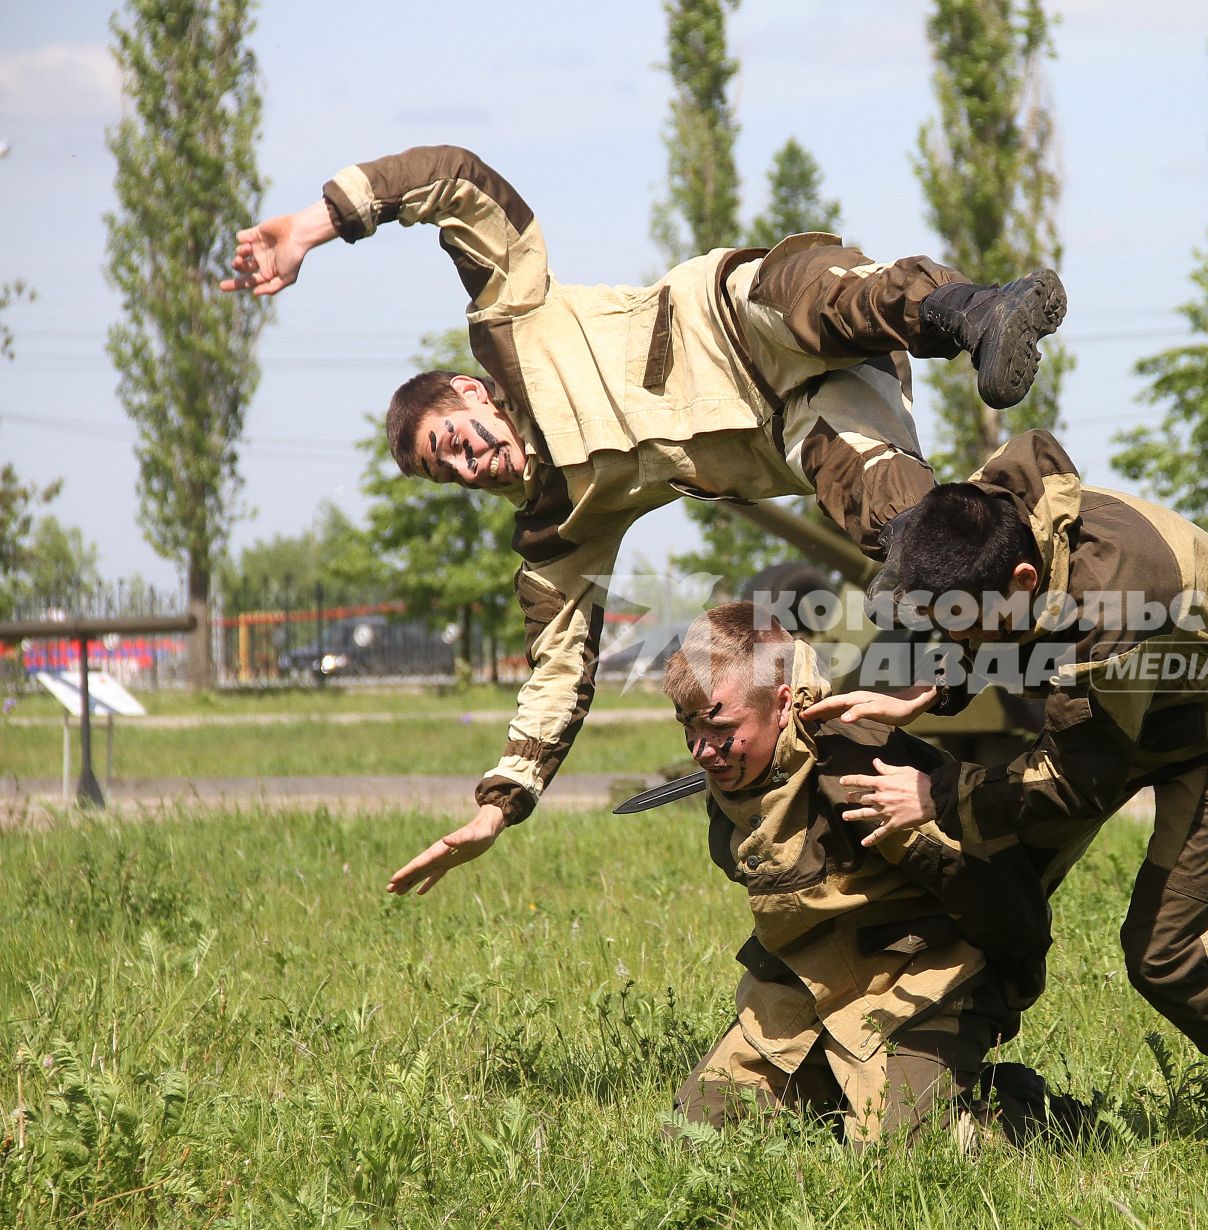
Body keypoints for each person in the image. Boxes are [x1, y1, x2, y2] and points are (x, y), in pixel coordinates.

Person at [218, 145, 1067, 896]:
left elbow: (454, 182)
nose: (471, 469)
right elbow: (556, 675)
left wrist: (312, 225)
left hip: (739, 320)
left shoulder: (509, 320)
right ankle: (1057, 609)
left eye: (458, 444)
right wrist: (499, 803)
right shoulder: (557, 525)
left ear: (472, 395)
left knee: (804, 295)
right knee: (908, 535)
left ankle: (976, 312)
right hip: (807, 420)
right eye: (451, 475)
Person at [803, 429, 1208, 1135]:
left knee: (1166, 958)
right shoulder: (982, 516)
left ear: (1024, 583)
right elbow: (979, 618)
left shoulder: (1110, 607)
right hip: (1122, 696)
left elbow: (1076, 783)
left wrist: (937, 794)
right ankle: (936, 1083)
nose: (950, 635)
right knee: (985, 878)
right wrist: (928, 690)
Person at [658, 602, 1061, 1147]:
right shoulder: (742, 777)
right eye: (690, 728)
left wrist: (1007, 992)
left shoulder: (860, 776)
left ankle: (1014, 1107)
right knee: (696, 1131)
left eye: (720, 728)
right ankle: (836, 1085)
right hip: (809, 978)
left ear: (783, 705)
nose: (703, 752)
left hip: (922, 980)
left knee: (898, 1154)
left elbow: (997, 890)